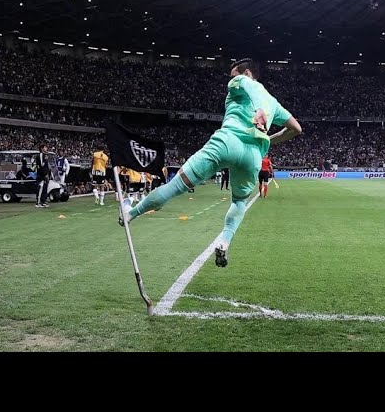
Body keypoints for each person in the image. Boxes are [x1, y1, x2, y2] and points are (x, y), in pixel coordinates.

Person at [119, 58, 302, 267]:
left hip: (227, 142)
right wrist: (269, 138)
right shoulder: (274, 103)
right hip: (253, 155)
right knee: (239, 202)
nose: (231, 79)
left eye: (234, 75)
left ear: (247, 72)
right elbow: (296, 128)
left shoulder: (241, 83)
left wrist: (259, 110)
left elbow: (251, 86)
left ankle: (131, 213)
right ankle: (224, 241)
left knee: (175, 187)